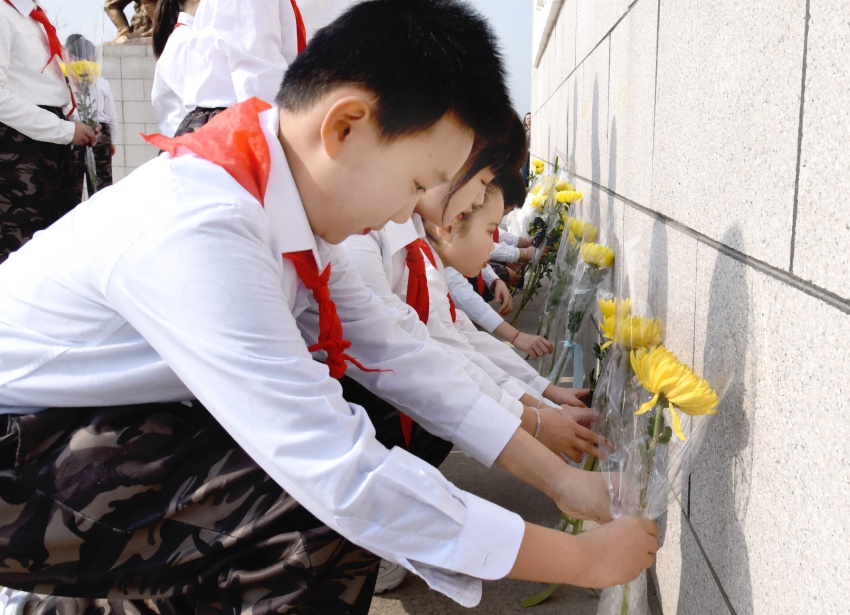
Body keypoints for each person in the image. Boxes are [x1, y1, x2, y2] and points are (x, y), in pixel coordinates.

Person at [0, 1, 658, 612]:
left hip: (88, 430)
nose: (410, 212)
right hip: (20, 447)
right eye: (417, 182)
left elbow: (404, 357)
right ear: (344, 125)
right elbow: (338, 471)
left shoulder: (286, 210)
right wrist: (579, 559)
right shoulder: (204, 227)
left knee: (338, 490)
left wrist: (563, 483)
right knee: (306, 504)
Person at [0, 0, 96, 263]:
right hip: (19, 146)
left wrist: (76, 121)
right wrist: (62, 130)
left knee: (54, 249)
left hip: (50, 140)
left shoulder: (34, 17)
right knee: (20, 252)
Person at [155, 0, 307, 135]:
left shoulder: (182, 38)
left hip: (223, 125)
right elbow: (257, 80)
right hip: (239, 126)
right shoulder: (180, 41)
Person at [65, 34, 118, 193]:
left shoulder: (65, 81)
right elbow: (111, 116)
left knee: (71, 186)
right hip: (99, 133)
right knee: (101, 186)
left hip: (73, 132)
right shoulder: (102, 82)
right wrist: (112, 140)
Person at [150, 0, 201, 136]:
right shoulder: (185, 41)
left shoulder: (189, 38)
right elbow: (200, 101)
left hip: (190, 141)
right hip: (185, 143)